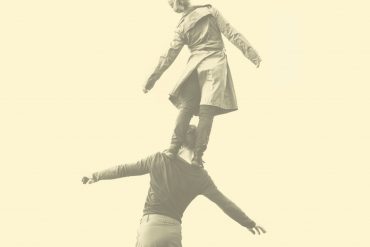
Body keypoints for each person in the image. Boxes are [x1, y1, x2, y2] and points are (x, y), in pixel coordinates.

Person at [82, 125, 266, 247]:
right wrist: (248, 223)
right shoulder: (201, 176)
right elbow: (224, 203)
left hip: (151, 228)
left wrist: (95, 175)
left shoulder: (159, 159)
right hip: (173, 233)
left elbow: (123, 169)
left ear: (180, 143)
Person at [143, 0, 262, 167]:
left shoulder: (181, 27)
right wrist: (253, 55)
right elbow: (232, 33)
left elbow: (168, 56)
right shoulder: (210, 11)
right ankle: (197, 157)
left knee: (187, 107)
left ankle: (173, 147)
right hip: (215, 65)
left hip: (194, 67)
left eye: (171, 5)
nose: (172, 9)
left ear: (177, 5)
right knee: (207, 111)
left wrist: (151, 80)